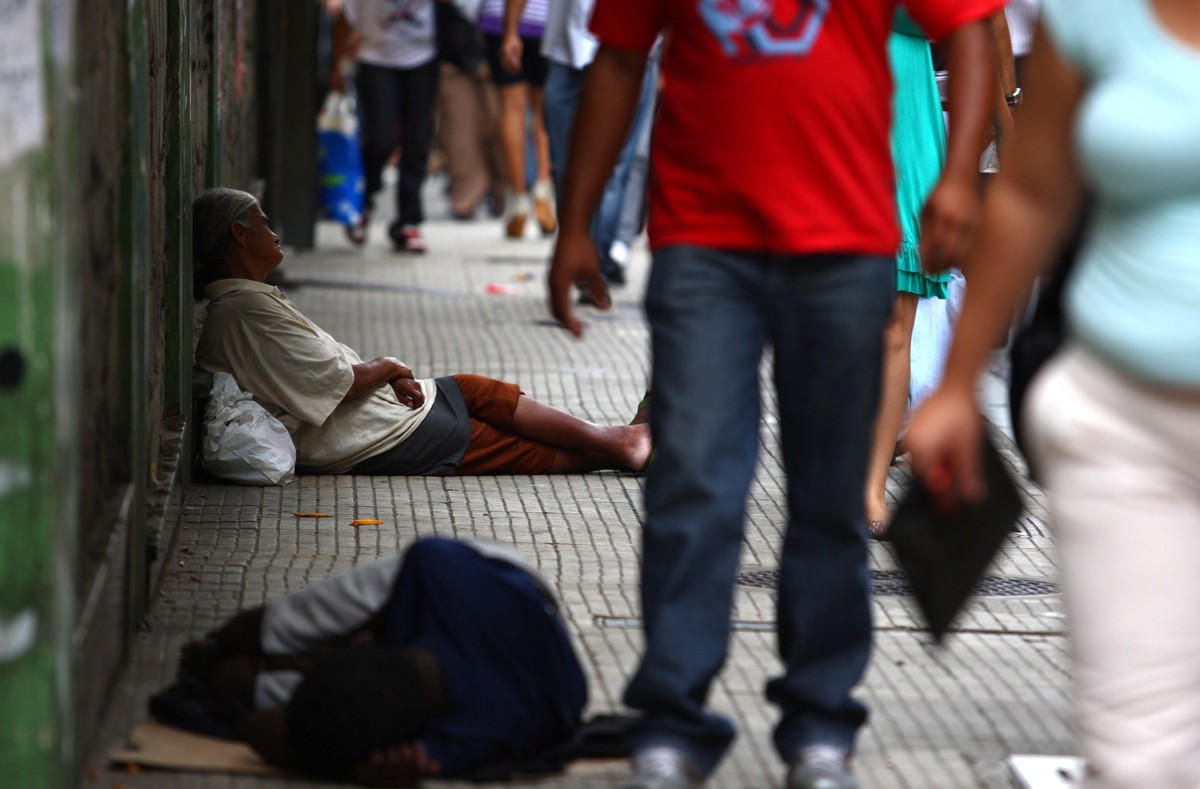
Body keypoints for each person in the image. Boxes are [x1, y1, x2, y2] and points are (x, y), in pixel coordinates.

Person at [545, 2, 1000, 788]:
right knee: (694, 482)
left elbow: (971, 27)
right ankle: (671, 725)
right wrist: (574, 223)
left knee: (829, 495)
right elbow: (618, 60)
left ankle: (821, 725)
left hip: (846, 240)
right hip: (703, 244)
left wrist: (960, 175)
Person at [903, 1, 1200, 786]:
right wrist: (955, 387)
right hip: (1122, 422)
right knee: (1141, 758)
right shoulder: (1097, 17)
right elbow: (1033, 193)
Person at [192, 188, 651, 476]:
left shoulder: (250, 301)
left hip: (375, 415)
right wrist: (389, 366)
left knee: (476, 391)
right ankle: (624, 447)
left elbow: (326, 373)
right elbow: (340, 382)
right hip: (368, 436)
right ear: (238, 235)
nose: (274, 232)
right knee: (492, 441)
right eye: (263, 223)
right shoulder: (243, 312)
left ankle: (620, 441)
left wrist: (388, 377)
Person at [163, 537, 588, 783]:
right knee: (264, 633)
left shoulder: (503, 725)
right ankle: (251, 641)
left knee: (240, 685)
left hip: (487, 628)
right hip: (487, 578)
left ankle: (260, 675)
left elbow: (262, 732)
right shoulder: (435, 568)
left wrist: (379, 769)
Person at [507, 0, 662, 286]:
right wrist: (511, 29)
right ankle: (576, 246)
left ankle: (599, 265)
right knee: (565, 164)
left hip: (631, 53)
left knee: (617, 166)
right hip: (567, 51)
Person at [338, 0, 439, 253]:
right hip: (376, 58)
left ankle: (408, 222)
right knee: (380, 139)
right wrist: (337, 66)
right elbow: (345, 18)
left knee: (417, 140)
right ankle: (364, 200)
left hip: (423, 58)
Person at [480, 0, 556, 239]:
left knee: (512, 109)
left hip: (501, 18)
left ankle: (519, 199)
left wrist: (511, 28)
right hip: (546, 17)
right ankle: (543, 191)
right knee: (543, 109)